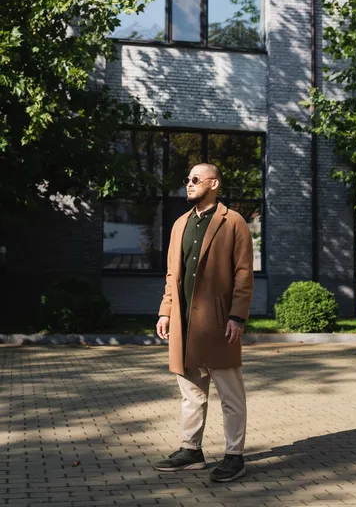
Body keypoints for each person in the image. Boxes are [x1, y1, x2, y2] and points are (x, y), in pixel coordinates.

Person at [155, 162, 254, 482]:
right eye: (187, 179)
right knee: (191, 391)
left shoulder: (233, 221)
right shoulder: (179, 224)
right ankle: (191, 451)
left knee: (230, 394)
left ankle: (234, 456)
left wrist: (238, 315)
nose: (189, 184)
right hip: (184, 323)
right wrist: (166, 310)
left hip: (219, 322)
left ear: (214, 183)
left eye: (195, 179)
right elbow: (172, 274)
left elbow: (243, 273)